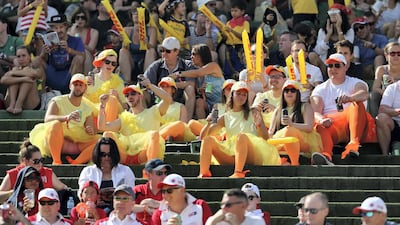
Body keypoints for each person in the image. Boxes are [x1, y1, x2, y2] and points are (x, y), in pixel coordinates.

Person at [198, 81, 280, 178]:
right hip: (231, 154)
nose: (241, 97)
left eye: (244, 95)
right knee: (208, 140)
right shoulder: (225, 117)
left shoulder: (254, 112)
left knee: (241, 137)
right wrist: (208, 123)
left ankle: (238, 172)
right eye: (238, 93)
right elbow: (203, 138)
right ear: (232, 95)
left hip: (252, 155)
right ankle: (204, 173)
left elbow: (265, 139)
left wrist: (259, 126)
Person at [310, 53, 377, 164]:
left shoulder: (356, 82)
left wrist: (350, 98)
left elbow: (364, 94)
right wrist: (322, 119)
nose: (333, 69)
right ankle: (326, 156)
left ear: (345, 67)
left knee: (356, 104)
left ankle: (353, 144)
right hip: (332, 125)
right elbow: (315, 111)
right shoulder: (320, 89)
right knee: (319, 125)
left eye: (337, 65)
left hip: (354, 123)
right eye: (330, 66)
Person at [29, 73, 100, 165]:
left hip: (75, 144)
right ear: (70, 86)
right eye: (75, 84)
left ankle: (77, 162)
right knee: (55, 124)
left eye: (80, 85)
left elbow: (91, 128)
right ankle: (57, 161)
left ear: (85, 88)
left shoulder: (87, 108)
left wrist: (90, 130)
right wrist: (66, 118)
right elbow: (48, 118)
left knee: (100, 141)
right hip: (57, 139)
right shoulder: (57, 100)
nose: (77, 87)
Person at [98, 79, 172, 165]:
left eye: (133, 94)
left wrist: (150, 86)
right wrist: (102, 106)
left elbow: (168, 99)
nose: (130, 97)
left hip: (144, 155)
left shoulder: (153, 111)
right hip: (124, 156)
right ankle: (108, 171)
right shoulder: (124, 117)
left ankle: (151, 170)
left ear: (140, 96)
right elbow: (102, 127)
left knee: (154, 135)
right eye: (127, 95)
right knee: (107, 135)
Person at [269, 80, 323, 166]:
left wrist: (292, 124)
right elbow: (271, 132)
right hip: (282, 142)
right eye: (286, 90)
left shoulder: (305, 106)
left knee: (289, 131)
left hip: (303, 140)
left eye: (292, 90)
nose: (289, 93)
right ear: (283, 93)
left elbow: (309, 127)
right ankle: (283, 162)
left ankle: (294, 163)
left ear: (297, 93)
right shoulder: (277, 110)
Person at [78, 137, 135, 214]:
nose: (106, 158)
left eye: (109, 155)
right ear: (97, 155)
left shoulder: (125, 171)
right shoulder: (88, 171)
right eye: (103, 155)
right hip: (93, 208)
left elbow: (131, 193)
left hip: (119, 208)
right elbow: (81, 193)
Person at [144, 36, 196, 118]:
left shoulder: (187, 65)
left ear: (176, 51)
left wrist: (171, 84)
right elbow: (145, 82)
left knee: (190, 89)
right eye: (162, 50)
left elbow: (192, 84)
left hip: (180, 100)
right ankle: (143, 119)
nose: (164, 54)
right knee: (143, 92)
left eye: (168, 51)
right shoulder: (156, 65)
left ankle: (187, 122)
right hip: (159, 101)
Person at [0, 140, 69, 202]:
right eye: (36, 161)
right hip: (19, 211)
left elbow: (64, 189)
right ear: (25, 161)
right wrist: (14, 192)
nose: (40, 164)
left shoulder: (47, 173)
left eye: (41, 160)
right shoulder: (13, 174)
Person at [169, 44, 224, 119]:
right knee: (199, 102)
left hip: (222, 103)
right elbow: (200, 89)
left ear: (202, 55)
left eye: (194, 54)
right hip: (209, 104)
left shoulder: (213, 66)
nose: (191, 57)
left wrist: (178, 74)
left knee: (215, 108)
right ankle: (202, 125)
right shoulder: (199, 73)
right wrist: (200, 90)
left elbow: (197, 73)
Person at [37, 14, 85, 94]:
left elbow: (83, 56)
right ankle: (43, 96)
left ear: (66, 27)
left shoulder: (76, 40)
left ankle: (75, 93)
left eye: (61, 27)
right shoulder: (48, 41)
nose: (59, 30)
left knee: (79, 58)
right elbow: (41, 60)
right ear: (52, 29)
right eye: (56, 28)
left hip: (69, 73)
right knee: (37, 60)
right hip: (52, 73)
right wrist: (45, 52)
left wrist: (68, 50)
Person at [119, 6, 157, 84]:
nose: (136, 14)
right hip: (131, 62)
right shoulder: (127, 30)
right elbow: (125, 48)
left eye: (138, 13)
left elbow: (153, 46)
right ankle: (127, 82)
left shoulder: (151, 30)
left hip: (145, 60)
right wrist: (124, 42)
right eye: (134, 13)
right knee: (123, 51)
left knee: (151, 51)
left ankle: (146, 81)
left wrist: (146, 43)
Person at [86, 49, 126, 122]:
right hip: (92, 118)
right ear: (101, 63)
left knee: (112, 100)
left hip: (111, 119)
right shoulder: (90, 79)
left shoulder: (119, 82)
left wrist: (117, 98)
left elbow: (125, 108)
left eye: (113, 64)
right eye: (107, 62)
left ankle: (107, 129)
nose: (110, 65)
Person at [0, 46, 42, 114]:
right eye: (18, 56)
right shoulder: (15, 70)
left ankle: (18, 104)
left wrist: (13, 73)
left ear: (29, 56)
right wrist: (22, 78)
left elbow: (35, 74)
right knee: (18, 77)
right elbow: (3, 80)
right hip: (11, 105)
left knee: (27, 77)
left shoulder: (35, 69)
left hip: (31, 105)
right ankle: (13, 104)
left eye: (24, 56)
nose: (21, 59)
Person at [134, 159, 172, 225]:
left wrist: (156, 204)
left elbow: (178, 208)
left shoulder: (170, 191)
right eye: (159, 173)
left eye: (165, 173)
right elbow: (125, 206)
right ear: (148, 175)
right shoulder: (138, 190)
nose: (164, 176)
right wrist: (144, 208)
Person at [371, 42, 400, 119]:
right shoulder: (381, 69)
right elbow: (375, 88)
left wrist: (395, 85)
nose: (396, 56)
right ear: (386, 55)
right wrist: (388, 94)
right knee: (374, 95)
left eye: (399, 53)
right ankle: (375, 121)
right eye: (392, 53)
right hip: (385, 99)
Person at [222, 0, 248, 77]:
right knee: (228, 65)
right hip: (229, 47)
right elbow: (225, 38)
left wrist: (232, 31)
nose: (233, 13)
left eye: (236, 10)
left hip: (239, 48)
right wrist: (223, 34)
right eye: (232, 11)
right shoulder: (228, 23)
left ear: (242, 11)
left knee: (239, 65)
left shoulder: (245, 23)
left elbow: (244, 37)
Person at [69, 7, 99, 75]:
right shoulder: (69, 31)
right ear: (74, 19)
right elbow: (69, 46)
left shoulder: (93, 32)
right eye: (77, 18)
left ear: (86, 19)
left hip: (89, 58)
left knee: (85, 52)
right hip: (72, 57)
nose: (80, 20)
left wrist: (77, 40)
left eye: (83, 18)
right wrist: (72, 33)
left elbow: (91, 49)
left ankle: (86, 78)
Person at [0, 16, 24, 95]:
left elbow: (20, 60)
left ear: (5, 25)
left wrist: (4, 58)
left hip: (16, 75)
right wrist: (9, 61)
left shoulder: (16, 40)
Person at [376, 79, 400, 156]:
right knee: (381, 118)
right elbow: (382, 109)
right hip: (396, 126)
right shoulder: (392, 88)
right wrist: (398, 111)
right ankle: (385, 156)